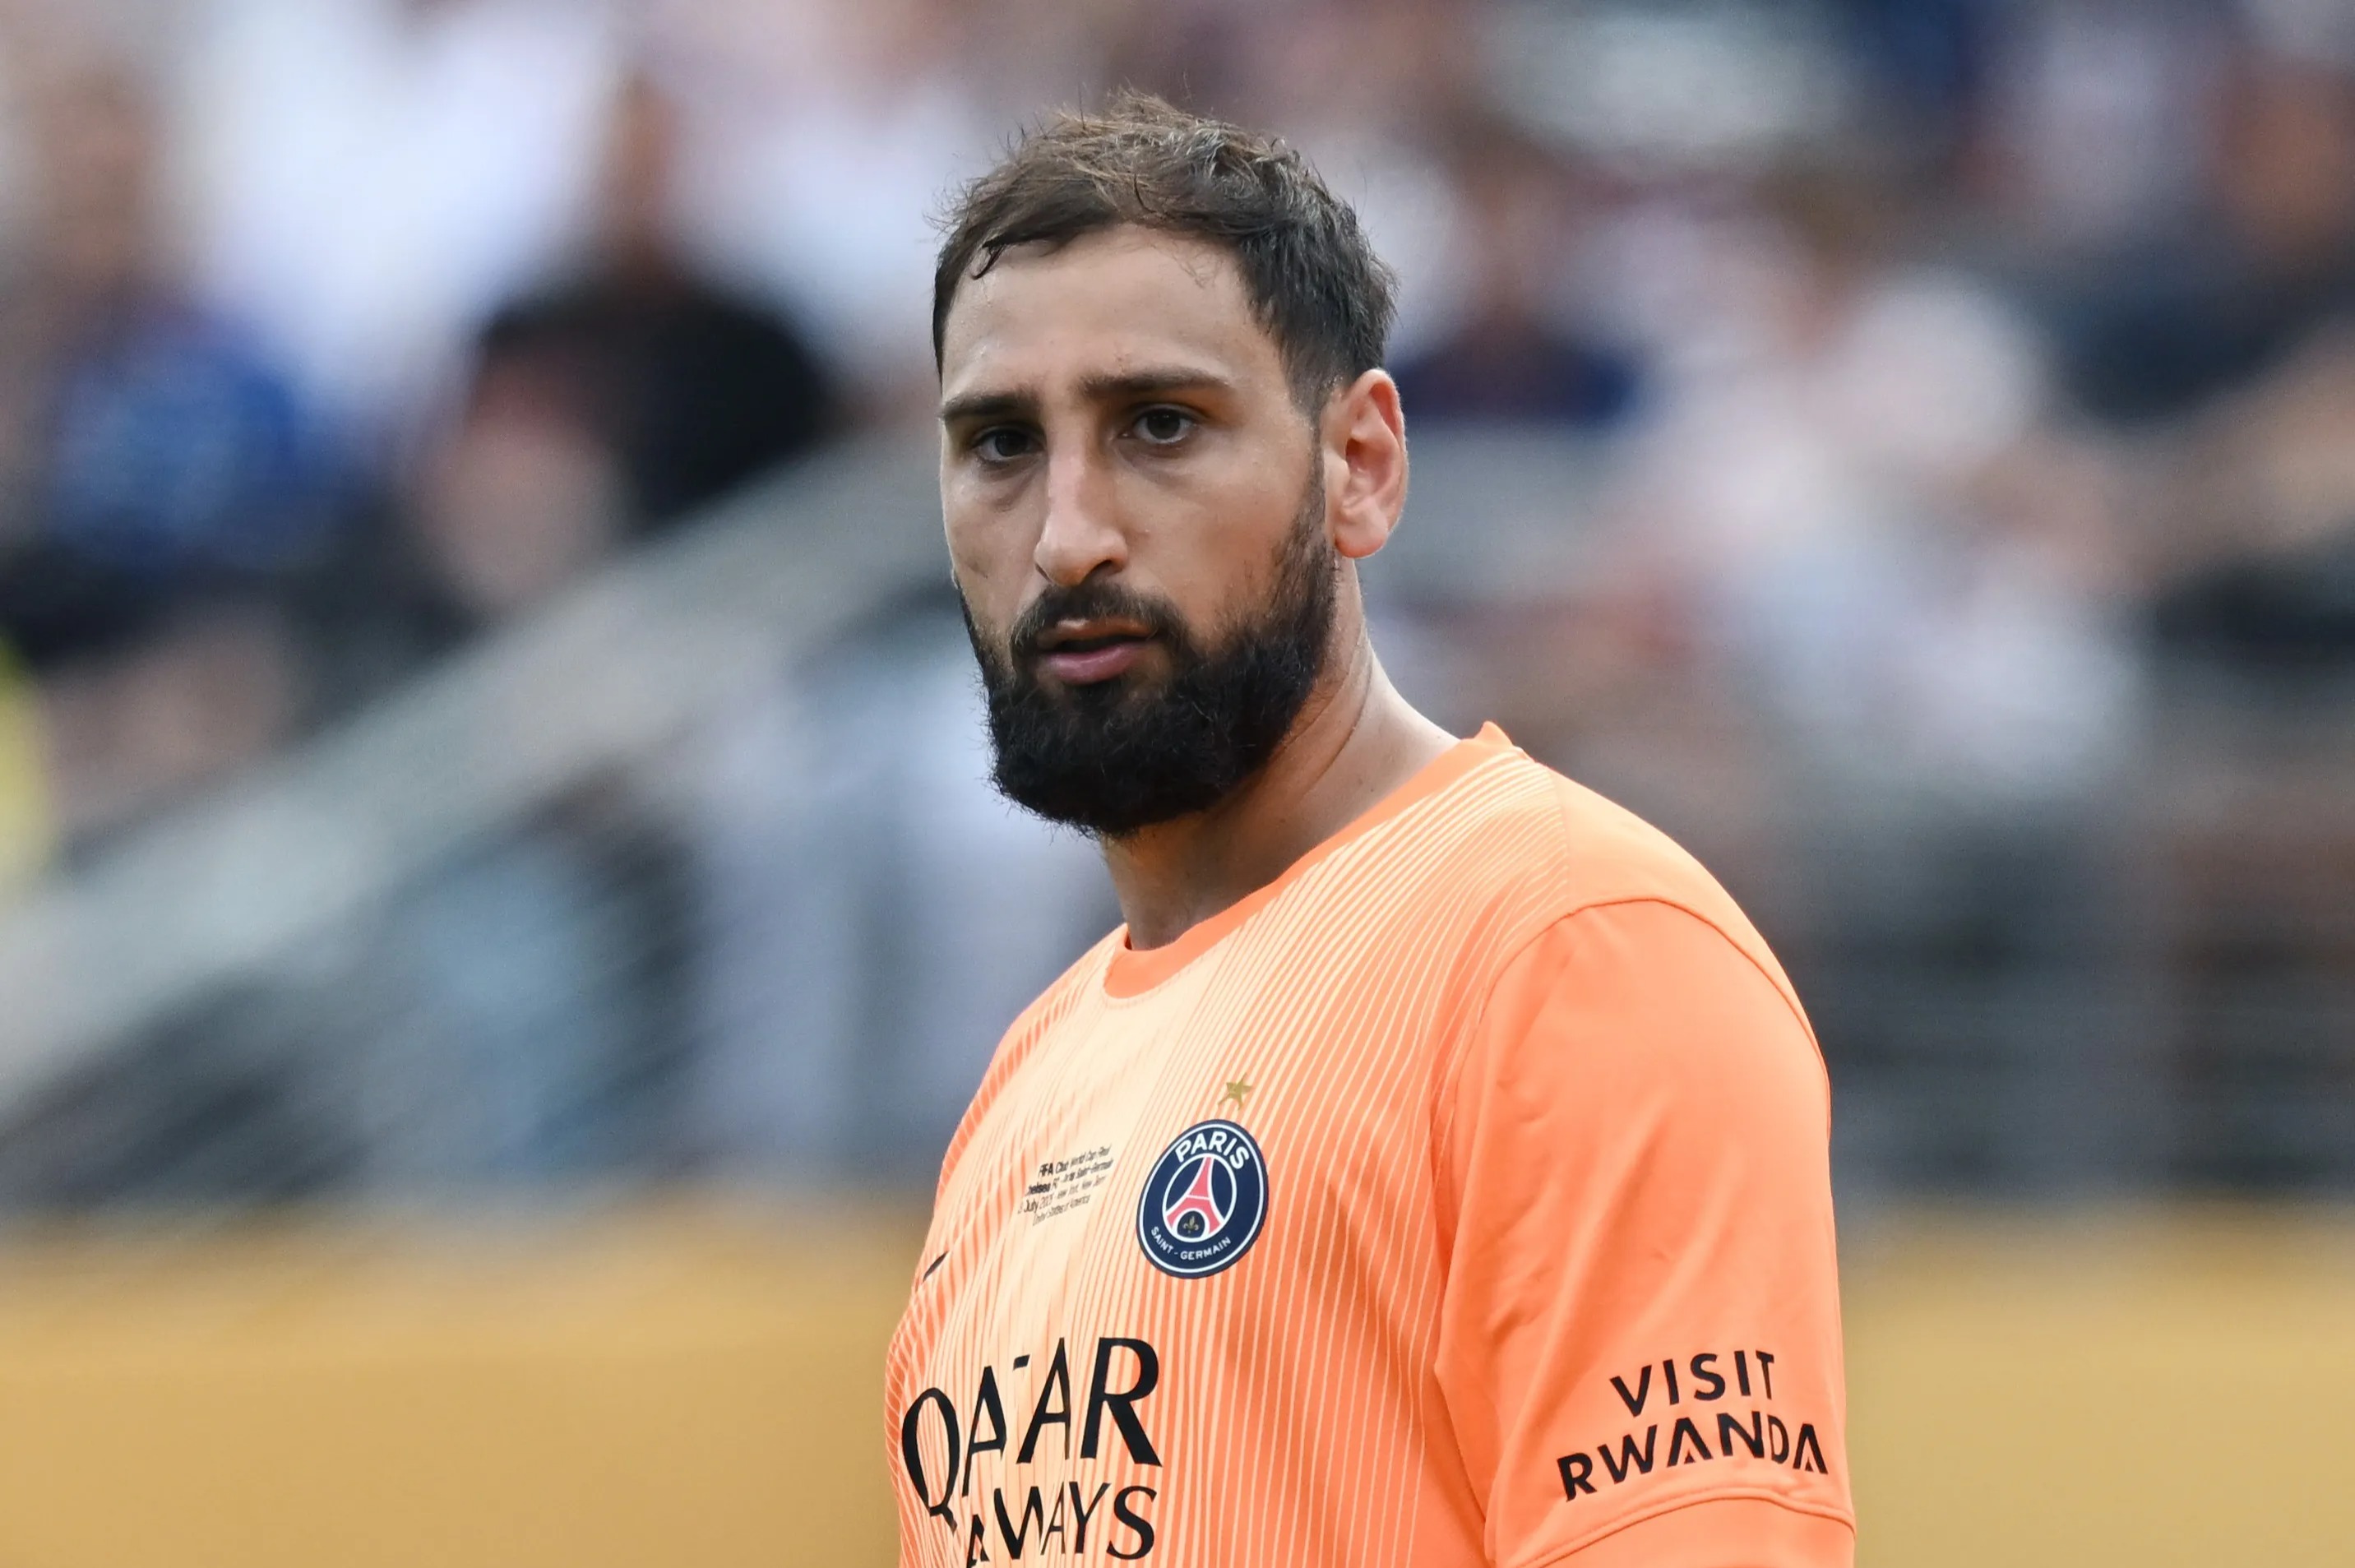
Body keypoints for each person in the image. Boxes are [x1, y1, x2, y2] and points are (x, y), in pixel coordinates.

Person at [886, 95, 1853, 1568]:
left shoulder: (1570, 949)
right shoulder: (1027, 1087)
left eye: (1160, 425)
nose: (1068, 532)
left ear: (1363, 466)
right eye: (1003, 444)